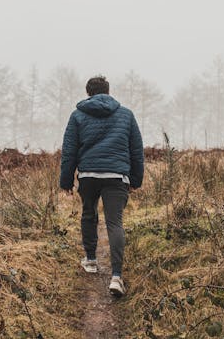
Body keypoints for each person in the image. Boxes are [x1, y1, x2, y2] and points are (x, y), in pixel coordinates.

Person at [59, 75, 144, 296]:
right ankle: (116, 277)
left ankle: (91, 260)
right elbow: (136, 151)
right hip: (117, 176)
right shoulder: (126, 115)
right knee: (115, 223)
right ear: (108, 91)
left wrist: (66, 181)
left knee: (89, 214)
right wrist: (136, 180)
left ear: (88, 93)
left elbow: (69, 151)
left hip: (88, 174)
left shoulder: (78, 116)